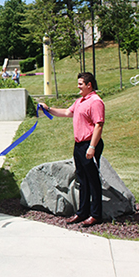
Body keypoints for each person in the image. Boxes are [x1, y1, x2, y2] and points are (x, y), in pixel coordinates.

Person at [39, 72, 105, 227]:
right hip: (79, 145)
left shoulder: (96, 102)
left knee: (93, 181)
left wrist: (92, 147)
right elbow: (68, 112)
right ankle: (83, 213)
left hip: (90, 144)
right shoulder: (80, 101)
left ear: (89, 85)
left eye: (81, 84)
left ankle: (96, 215)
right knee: (82, 180)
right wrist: (48, 109)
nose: (78, 86)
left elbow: (99, 125)